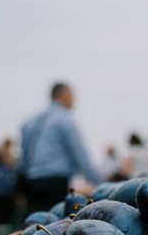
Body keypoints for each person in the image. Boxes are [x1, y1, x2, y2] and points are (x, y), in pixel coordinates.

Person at [19, 82, 102, 213]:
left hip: (32, 182)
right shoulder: (64, 120)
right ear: (64, 95)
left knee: (34, 224)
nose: (74, 100)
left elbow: (24, 156)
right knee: (53, 222)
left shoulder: (29, 121)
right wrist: (100, 184)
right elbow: (80, 156)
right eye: (72, 95)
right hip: (56, 182)